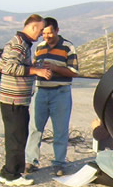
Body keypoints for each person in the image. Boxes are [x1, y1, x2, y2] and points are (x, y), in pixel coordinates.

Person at [0, 14, 52, 186]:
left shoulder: (16, 42)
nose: (41, 34)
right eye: (41, 30)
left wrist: (31, 68)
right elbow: (8, 67)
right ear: (33, 27)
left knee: (15, 136)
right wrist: (35, 71)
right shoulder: (19, 45)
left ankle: (8, 171)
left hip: (11, 99)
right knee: (17, 137)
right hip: (14, 100)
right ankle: (12, 175)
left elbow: (0, 64)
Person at [24, 17, 78, 176]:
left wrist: (55, 68)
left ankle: (59, 163)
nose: (46, 36)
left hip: (60, 93)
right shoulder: (39, 47)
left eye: (49, 33)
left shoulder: (68, 47)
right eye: (44, 33)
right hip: (41, 92)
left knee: (60, 130)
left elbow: (74, 72)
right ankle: (31, 161)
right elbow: (34, 67)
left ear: (57, 30)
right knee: (35, 128)